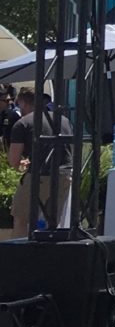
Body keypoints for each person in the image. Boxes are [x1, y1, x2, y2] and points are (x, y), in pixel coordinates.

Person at [6, 87, 74, 238]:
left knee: (21, 217)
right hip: (65, 175)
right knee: (52, 221)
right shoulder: (64, 120)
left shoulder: (23, 123)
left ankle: (17, 256)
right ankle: (48, 256)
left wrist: (19, 165)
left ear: (23, 102)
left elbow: (13, 159)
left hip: (40, 176)